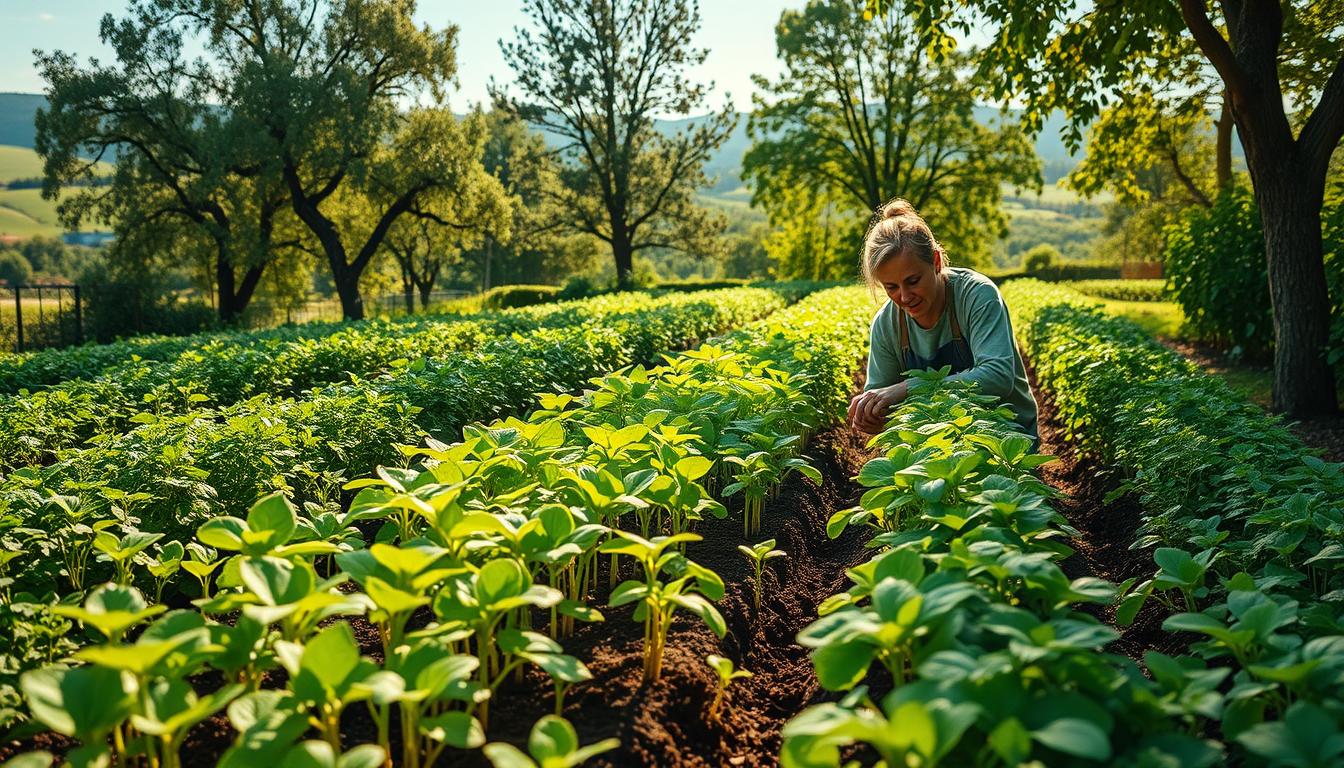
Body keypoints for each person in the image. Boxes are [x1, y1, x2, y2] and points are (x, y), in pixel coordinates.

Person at [846, 198, 1039, 441]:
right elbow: (882, 395)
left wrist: (909, 388)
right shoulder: (886, 324)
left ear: (936, 262)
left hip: (1003, 440)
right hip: (931, 443)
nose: (904, 297)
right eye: (891, 287)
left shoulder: (977, 296)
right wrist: (873, 413)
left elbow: (998, 376)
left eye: (913, 281)